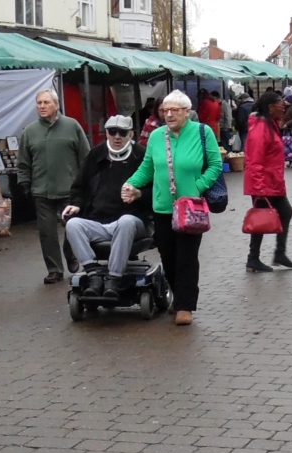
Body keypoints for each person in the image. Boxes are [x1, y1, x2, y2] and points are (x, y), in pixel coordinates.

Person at [122, 90, 222, 326]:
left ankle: (185, 305)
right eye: (165, 111)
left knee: (187, 256)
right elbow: (147, 167)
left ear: (187, 112)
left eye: (174, 110)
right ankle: (177, 296)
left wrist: (198, 186)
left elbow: (215, 165)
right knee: (168, 255)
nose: (168, 115)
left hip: (191, 207)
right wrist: (131, 184)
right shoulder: (157, 136)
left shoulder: (202, 132)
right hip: (163, 207)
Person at [63, 115, 152, 298]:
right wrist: (76, 204)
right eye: (112, 132)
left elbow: (156, 189)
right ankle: (93, 274)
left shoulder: (142, 155)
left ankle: (114, 278)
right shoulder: (96, 154)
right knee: (72, 224)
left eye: (122, 133)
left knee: (126, 221)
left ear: (131, 134)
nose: (117, 137)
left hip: (133, 220)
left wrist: (139, 194)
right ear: (106, 133)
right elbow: (80, 186)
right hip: (98, 220)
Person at [17, 89, 90, 284]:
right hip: (41, 191)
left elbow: (85, 157)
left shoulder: (72, 126)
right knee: (46, 232)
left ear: (56, 105)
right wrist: (24, 182)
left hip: (70, 190)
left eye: (46, 102)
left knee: (73, 227)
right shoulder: (29, 131)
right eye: (39, 103)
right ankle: (54, 269)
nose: (42, 106)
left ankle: (70, 253)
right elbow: (23, 162)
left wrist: (86, 184)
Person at [243, 91, 292, 272]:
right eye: (280, 105)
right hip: (264, 183)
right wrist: (259, 188)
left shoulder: (270, 124)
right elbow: (254, 160)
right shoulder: (261, 128)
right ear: (270, 107)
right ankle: (255, 258)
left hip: (272, 181)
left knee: (282, 213)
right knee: (262, 218)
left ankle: (274, 254)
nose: (283, 108)